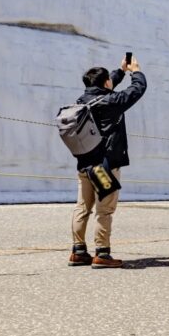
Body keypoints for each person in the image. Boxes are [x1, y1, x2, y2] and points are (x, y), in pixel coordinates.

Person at [68, 57, 147, 269]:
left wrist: (120, 71)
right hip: (103, 167)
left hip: (84, 164)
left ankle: (78, 251)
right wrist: (135, 71)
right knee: (104, 210)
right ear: (105, 84)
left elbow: (104, 87)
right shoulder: (111, 102)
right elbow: (137, 89)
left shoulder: (82, 101)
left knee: (82, 207)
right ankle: (102, 253)